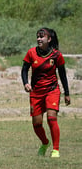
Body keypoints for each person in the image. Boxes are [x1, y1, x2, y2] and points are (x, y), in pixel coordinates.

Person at [21, 27, 71, 158]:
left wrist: (67, 93)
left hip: (52, 90)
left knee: (51, 118)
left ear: (49, 39)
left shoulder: (56, 55)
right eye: (38, 36)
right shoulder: (31, 53)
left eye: (42, 37)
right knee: (37, 124)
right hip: (36, 92)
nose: (39, 39)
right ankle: (45, 143)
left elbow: (62, 74)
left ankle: (55, 150)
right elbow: (24, 70)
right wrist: (25, 83)